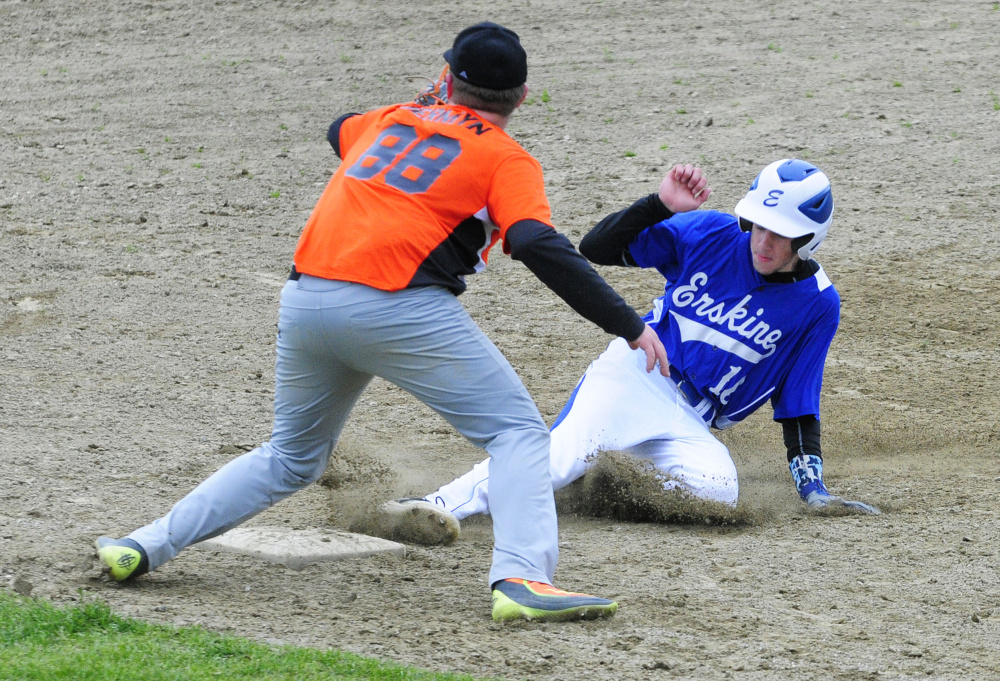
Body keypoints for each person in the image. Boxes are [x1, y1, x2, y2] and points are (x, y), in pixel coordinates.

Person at [95, 21, 676, 624]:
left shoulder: (387, 120)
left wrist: (429, 101)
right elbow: (534, 241)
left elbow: (335, 128)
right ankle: (523, 578)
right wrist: (627, 324)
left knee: (290, 458)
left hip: (306, 302)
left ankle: (141, 545)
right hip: (398, 307)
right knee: (518, 435)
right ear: (522, 96)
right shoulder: (508, 158)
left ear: (446, 77)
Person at [381, 158, 880, 544]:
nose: (763, 241)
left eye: (781, 233)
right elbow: (597, 247)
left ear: (810, 239)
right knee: (559, 456)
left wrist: (813, 489)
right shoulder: (711, 232)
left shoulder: (817, 305)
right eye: (759, 224)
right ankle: (434, 503)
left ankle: (595, 478)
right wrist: (659, 205)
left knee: (717, 492)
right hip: (638, 374)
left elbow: (797, 401)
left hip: (691, 420)